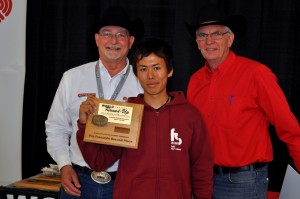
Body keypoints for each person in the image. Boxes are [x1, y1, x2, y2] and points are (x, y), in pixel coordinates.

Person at [185, 4, 300, 199]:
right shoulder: (195, 80)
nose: (209, 41)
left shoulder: (256, 74)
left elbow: (288, 127)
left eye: (216, 34)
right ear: (196, 42)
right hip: (201, 180)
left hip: (243, 182)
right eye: (202, 35)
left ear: (230, 39)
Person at [76, 37, 214, 199]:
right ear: (136, 74)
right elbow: (98, 162)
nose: (150, 76)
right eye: (143, 69)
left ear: (169, 71)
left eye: (157, 68)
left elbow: (202, 168)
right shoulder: (126, 114)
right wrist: (84, 125)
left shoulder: (189, 115)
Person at [45, 6, 144, 199]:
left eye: (121, 35)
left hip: (125, 185)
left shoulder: (143, 82)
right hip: (78, 183)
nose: (113, 41)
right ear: (97, 39)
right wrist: (64, 166)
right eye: (107, 33)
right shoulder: (72, 78)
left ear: (131, 42)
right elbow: (56, 127)